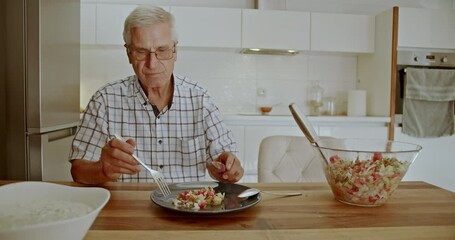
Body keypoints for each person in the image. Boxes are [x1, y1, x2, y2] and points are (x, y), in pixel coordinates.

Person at [70, 5, 244, 185]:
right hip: (130, 209)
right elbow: (78, 171)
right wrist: (103, 170)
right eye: (141, 51)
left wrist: (227, 168)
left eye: (162, 50)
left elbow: (225, 163)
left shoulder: (200, 99)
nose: (152, 64)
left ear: (175, 50)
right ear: (129, 53)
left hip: (187, 207)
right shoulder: (104, 101)